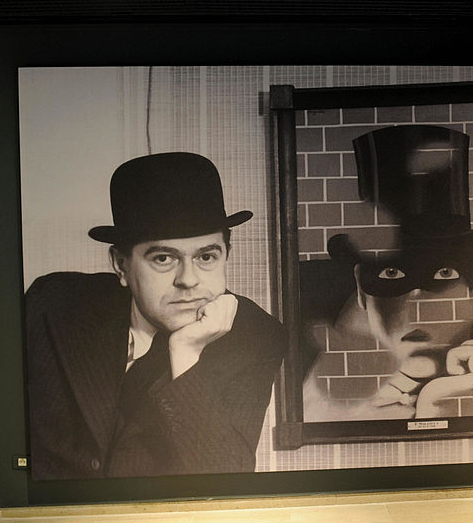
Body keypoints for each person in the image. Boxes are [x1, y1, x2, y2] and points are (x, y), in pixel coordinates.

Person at [25, 153, 284, 479]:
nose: (188, 279)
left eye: (206, 256)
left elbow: (226, 476)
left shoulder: (256, 335)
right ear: (121, 265)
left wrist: (186, 353)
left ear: (226, 256)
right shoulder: (54, 304)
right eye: (163, 258)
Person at [302, 125, 473, 421]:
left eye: (443, 273)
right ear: (361, 289)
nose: (416, 309)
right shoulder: (306, 320)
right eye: (391, 274)